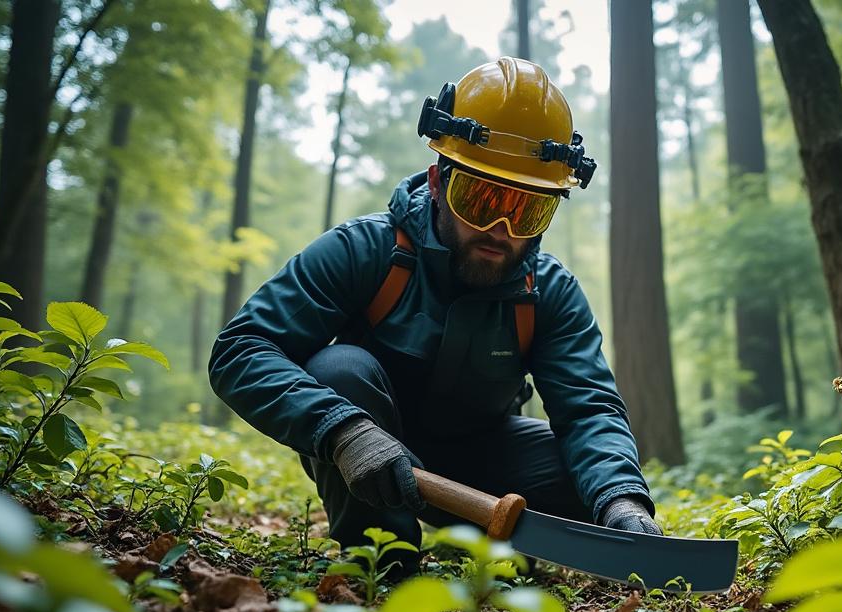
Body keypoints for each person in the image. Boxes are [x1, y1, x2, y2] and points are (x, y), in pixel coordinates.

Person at [209, 57, 661, 579]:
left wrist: (622, 501)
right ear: (437, 180)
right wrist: (342, 430)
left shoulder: (550, 292)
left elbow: (590, 411)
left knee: (589, 479)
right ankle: (386, 561)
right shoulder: (363, 250)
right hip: (364, 455)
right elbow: (241, 349)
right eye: (482, 199)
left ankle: (519, 544)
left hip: (482, 462)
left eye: (527, 210)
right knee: (340, 369)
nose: (501, 229)